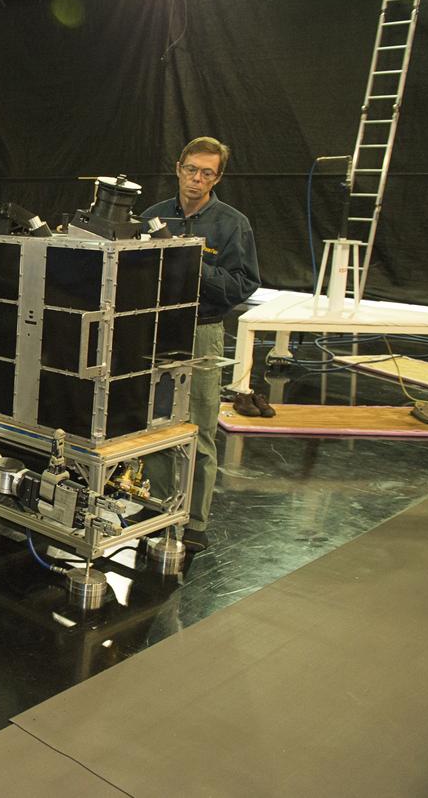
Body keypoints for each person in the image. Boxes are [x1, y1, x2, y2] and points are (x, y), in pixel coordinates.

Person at [140, 136, 261, 552]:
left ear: (218, 177)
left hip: (202, 331)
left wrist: (194, 264)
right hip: (155, 330)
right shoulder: (152, 217)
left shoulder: (231, 224)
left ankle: (194, 521)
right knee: (154, 425)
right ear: (178, 168)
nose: (197, 178)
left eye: (206, 173)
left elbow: (242, 285)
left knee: (200, 428)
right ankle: (157, 507)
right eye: (191, 169)